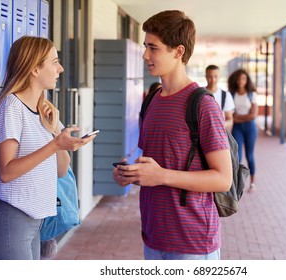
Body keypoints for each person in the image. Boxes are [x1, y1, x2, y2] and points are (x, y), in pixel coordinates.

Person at [113, 10, 232, 260]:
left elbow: (223, 179)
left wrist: (161, 175)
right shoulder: (151, 102)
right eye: (145, 46)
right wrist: (133, 175)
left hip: (192, 243)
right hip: (153, 236)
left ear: (178, 52)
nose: (145, 54)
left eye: (153, 48)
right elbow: (156, 167)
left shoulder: (202, 104)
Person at [0, 36, 95, 260]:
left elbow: (62, 170)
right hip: (13, 222)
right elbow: (6, 172)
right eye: (54, 61)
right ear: (35, 69)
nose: (61, 68)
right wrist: (54, 144)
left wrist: (58, 134)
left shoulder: (43, 110)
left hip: (36, 222)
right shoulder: (11, 107)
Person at [228, 68, 258, 191]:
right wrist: (244, 117)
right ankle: (236, 184)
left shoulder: (252, 94)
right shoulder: (232, 94)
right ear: (236, 80)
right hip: (237, 128)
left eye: (244, 78)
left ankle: (252, 183)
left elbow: (253, 115)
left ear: (247, 80)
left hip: (250, 128)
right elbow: (231, 116)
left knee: (249, 155)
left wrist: (238, 117)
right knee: (237, 157)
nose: (241, 81)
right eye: (239, 78)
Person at [205, 65, 235, 131]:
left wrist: (219, 125)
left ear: (219, 77)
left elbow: (229, 119)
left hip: (220, 133)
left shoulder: (226, 95)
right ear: (206, 77)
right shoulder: (200, 94)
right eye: (210, 77)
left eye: (215, 76)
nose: (213, 80)